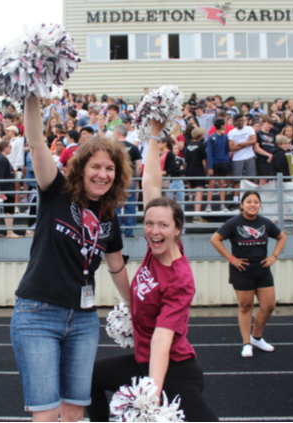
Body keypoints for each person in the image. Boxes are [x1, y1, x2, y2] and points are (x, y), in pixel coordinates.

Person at [87, 118, 218, 423]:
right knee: (86, 379)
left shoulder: (180, 278)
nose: (153, 231)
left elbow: (162, 339)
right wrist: (155, 135)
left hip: (174, 369)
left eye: (162, 225)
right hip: (142, 361)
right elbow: (151, 184)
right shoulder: (154, 248)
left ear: (177, 230)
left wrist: (151, 395)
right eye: (149, 224)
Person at [10, 96, 132, 423]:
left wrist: (135, 305)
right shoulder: (56, 190)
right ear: (81, 168)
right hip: (38, 313)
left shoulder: (109, 215)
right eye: (96, 166)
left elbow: (116, 265)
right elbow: (36, 144)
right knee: (48, 415)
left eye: (110, 168)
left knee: (75, 410)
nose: (103, 174)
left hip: (83, 320)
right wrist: (32, 93)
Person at [211, 191, 287, 358]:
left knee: (269, 306)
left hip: (262, 270)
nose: (253, 205)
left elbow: (282, 237)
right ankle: (246, 343)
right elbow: (215, 239)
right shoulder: (233, 223)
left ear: (260, 205)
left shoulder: (265, 223)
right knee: (246, 307)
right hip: (242, 272)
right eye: (249, 202)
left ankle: (256, 338)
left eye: (256, 202)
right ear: (242, 205)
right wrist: (231, 259)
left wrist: (274, 256)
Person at [113, 124, 142, 238]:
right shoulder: (134, 148)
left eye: (114, 132)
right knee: (130, 206)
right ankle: (129, 232)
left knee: (115, 206)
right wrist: (135, 177)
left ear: (118, 134)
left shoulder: (112, 147)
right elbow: (139, 166)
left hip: (115, 180)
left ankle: (117, 233)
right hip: (130, 180)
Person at [229, 114, 257, 207]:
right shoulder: (232, 132)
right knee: (237, 181)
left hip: (249, 156)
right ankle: (236, 201)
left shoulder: (249, 129)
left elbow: (253, 141)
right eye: (239, 121)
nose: (241, 122)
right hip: (237, 158)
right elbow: (231, 147)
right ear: (235, 122)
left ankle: (251, 198)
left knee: (251, 178)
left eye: (242, 120)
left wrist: (239, 144)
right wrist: (246, 143)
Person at [207, 119, 230, 213]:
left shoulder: (225, 137)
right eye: (224, 124)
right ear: (221, 125)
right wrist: (210, 167)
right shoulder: (211, 137)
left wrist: (226, 160)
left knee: (221, 183)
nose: (225, 126)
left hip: (223, 163)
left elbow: (227, 150)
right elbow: (209, 152)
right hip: (214, 163)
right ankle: (208, 205)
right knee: (211, 184)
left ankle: (222, 204)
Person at [186, 127, 207, 224]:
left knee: (195, 193)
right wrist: (206, 173)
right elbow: (204, 161)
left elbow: (186, 161)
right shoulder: (202, 146)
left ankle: (196, 215)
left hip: (189, 171)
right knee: (199, 193)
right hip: (198, 171)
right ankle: (197, 216)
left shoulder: (188, 146)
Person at [255, 115, 279, 186]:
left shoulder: (273, 135)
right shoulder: (258, 134)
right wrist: (268, 155)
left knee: (271, 181)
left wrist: (272, 156)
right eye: (268, 123)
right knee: (263, 180)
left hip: (272, 161)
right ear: (263, 123)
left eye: (271, 124)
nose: (270, 126)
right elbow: (257, 148)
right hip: (262, 160)